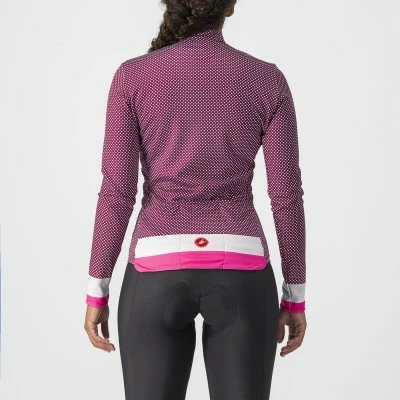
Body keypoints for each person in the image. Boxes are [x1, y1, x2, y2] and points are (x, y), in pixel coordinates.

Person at [83, 0, 307, 399]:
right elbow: (286, 195)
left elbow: (117, 191)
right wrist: (295, 298)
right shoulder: (267, 80)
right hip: (242, 261)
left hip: (155, 264)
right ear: (230, 7)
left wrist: (96, 289)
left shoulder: (132, 77)